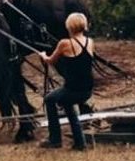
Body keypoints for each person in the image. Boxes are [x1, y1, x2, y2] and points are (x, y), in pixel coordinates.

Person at [37, 13, 95, 151]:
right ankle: (80, 143)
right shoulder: (90, 42)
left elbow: (51, 61)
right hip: (87, 89)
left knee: (49, 99)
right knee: (66, 103)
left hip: (73, 89)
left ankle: (55, 139)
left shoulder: (65, 43)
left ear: (69, 26)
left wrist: (43, 55)